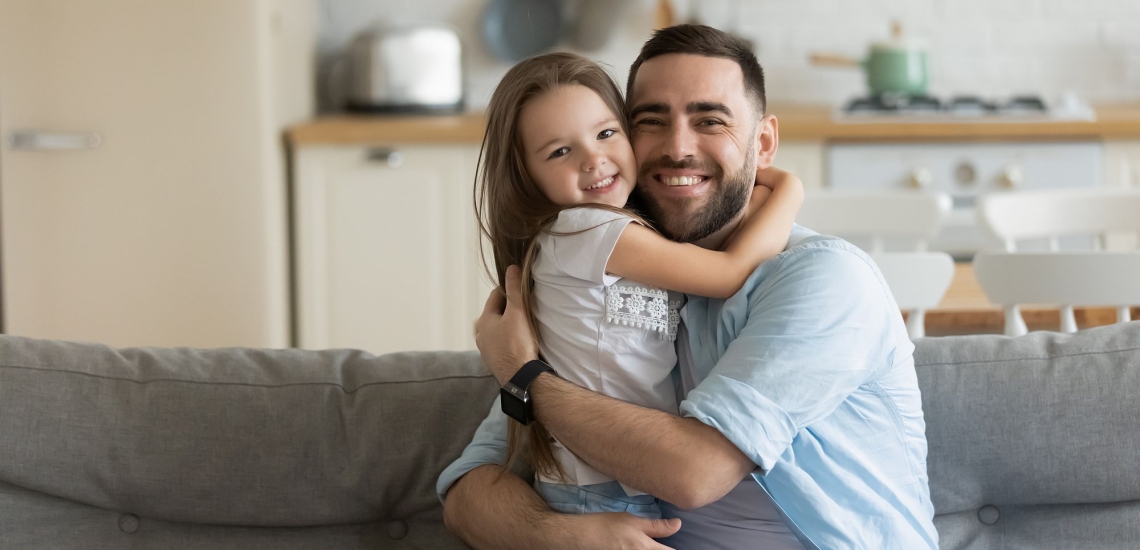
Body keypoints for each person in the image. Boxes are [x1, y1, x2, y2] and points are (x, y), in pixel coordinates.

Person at [438, 24, 938, 550]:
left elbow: (693, 473)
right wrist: (568, 536)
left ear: (763, 143)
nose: (677, 148)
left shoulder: (825, 280)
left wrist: (524, 376)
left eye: (709, 121)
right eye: (650, 122)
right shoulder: (608, 300)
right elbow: (469, 496)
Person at [469, 51, 803, 521]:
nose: (594, 160)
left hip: (615, 477)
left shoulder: (615, 234)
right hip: (598, 484)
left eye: (606, 134)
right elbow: (727, 273)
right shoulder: (586, 231)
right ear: (528, 177)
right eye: (560, 151)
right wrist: (789, 190)